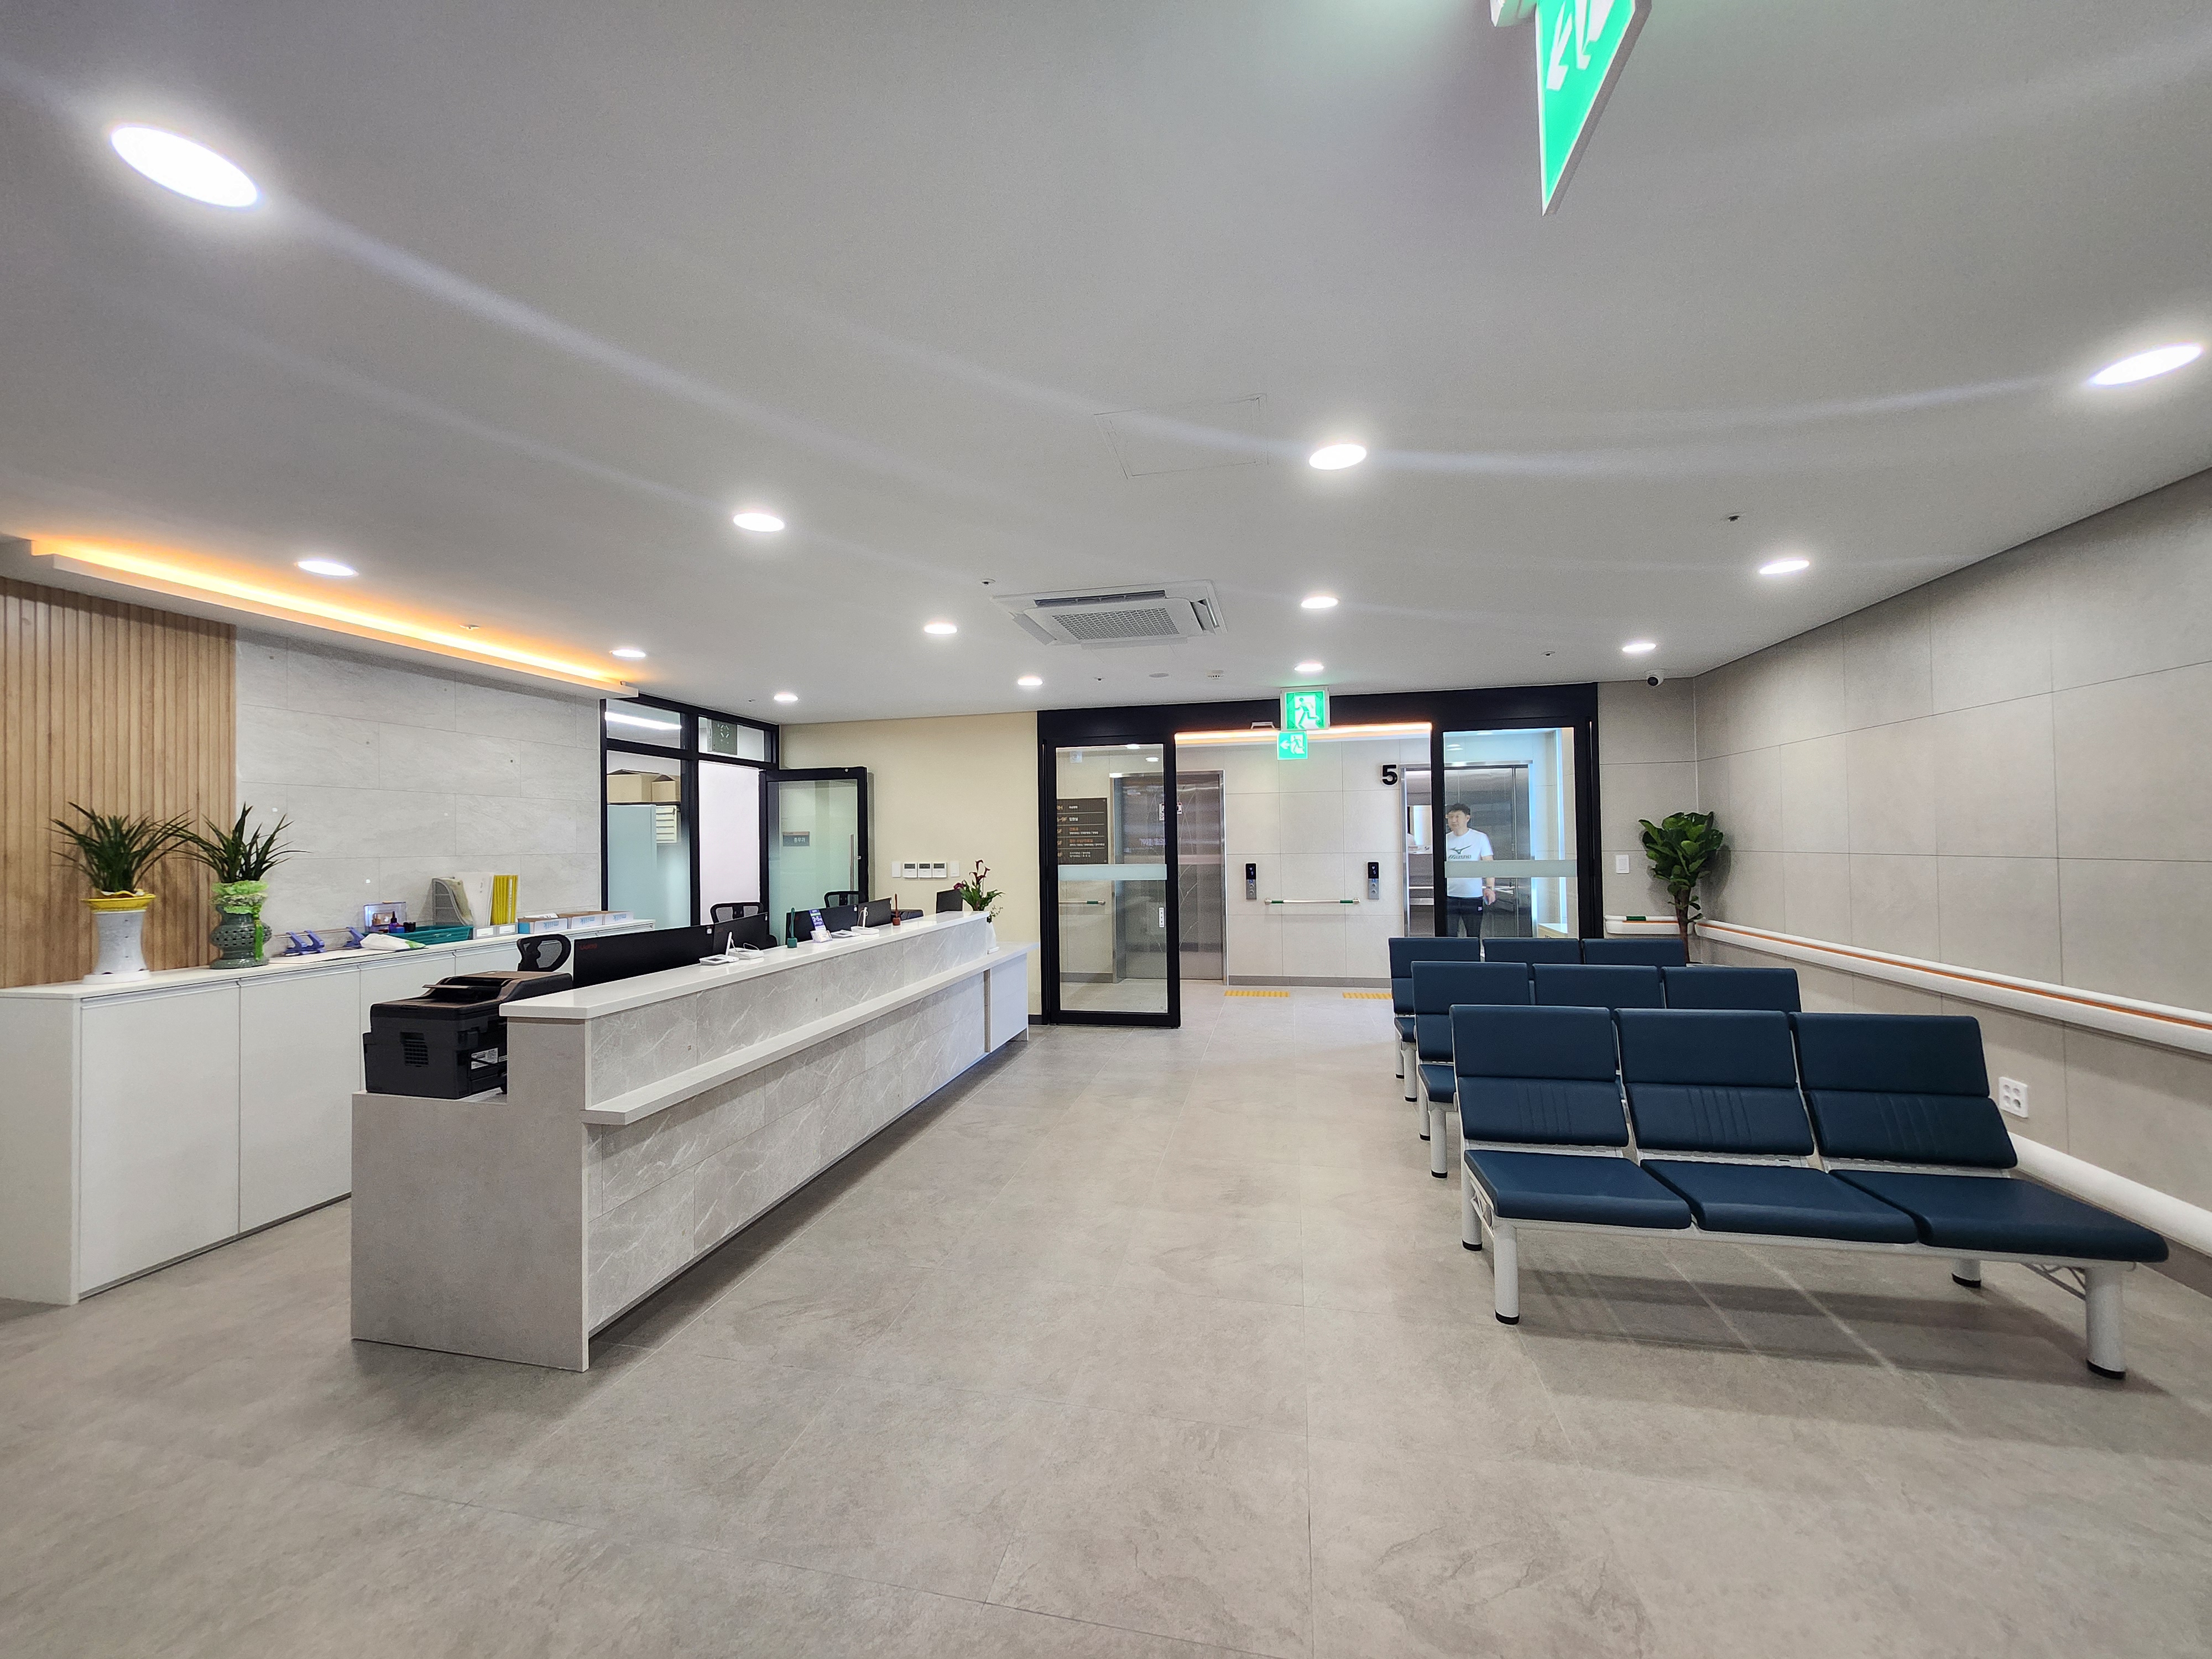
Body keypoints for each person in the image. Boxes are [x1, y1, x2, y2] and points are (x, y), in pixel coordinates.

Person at [1442, 802, 1495, 937]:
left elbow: (1489, 864)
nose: (1454, 820)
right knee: (1449, 935)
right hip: (1449, 896)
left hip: (1472, 896)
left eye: (1457, 817)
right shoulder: (1444, 840)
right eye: (1450, 817)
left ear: (1467, 818)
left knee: (1473, 935)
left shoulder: (1480, 838)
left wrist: (1490, 888)